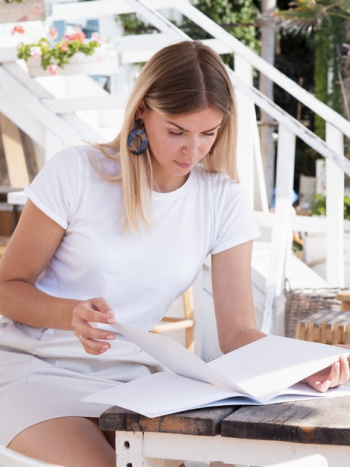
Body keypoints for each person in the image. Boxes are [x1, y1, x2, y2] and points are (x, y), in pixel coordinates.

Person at [0, 40, 349, 467]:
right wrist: (69, 313)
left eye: (209, 133)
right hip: (36, 370)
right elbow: (7, 287)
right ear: (143, 110)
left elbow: (238, 333)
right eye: (177, 131)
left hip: (135, 384)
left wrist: (297, 366)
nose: (193, 150)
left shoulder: (222, 199)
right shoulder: (77, 172)